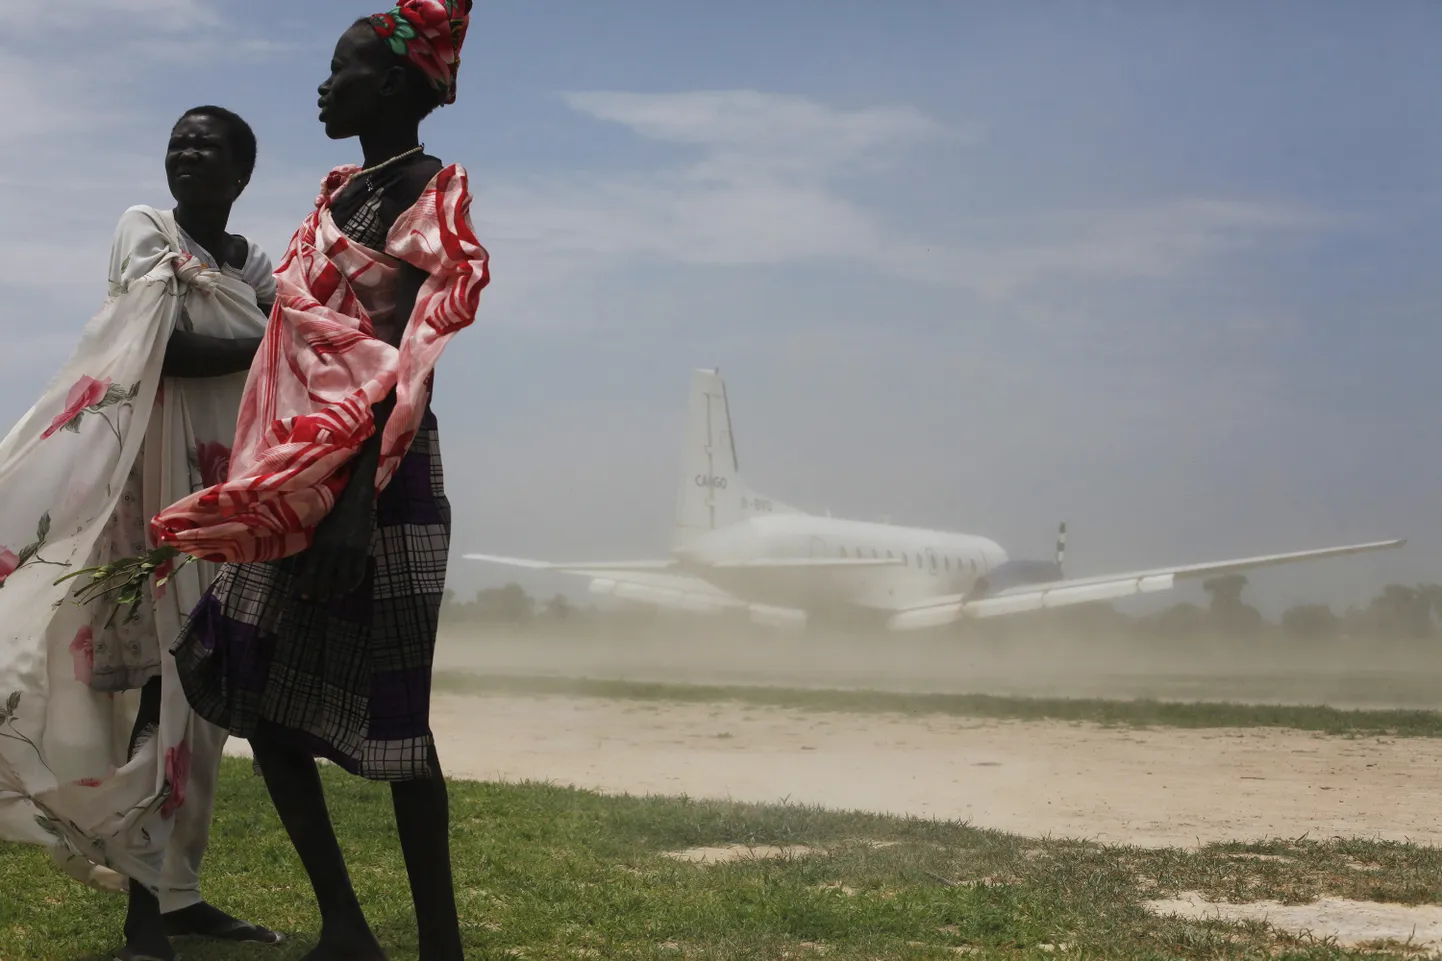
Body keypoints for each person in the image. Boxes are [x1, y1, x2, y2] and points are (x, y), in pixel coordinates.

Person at [153, 3, 488, 959]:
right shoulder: (339, 196)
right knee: (234, 670)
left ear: (389, 83)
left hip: (381, 474)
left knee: (399, 725)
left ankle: (440, 945)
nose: (323, 84)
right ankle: (345, 924)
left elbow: (402, 360)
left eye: (339, 69)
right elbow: (299, 348)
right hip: (299, 471)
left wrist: (350, 506)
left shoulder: (432, 191)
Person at [0, 106, 280, 961]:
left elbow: (258, 346)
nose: (187, 153)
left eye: (208, 145)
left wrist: (274, 340)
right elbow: (162, 344)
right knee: (164, 688)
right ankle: (142, 920)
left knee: (205, 706)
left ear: (240, 175)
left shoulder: (253, 261)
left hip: (223, 487)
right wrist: (275, 339)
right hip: (151, 494)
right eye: (178, 142)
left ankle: (179, 893)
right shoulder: (145, 229)